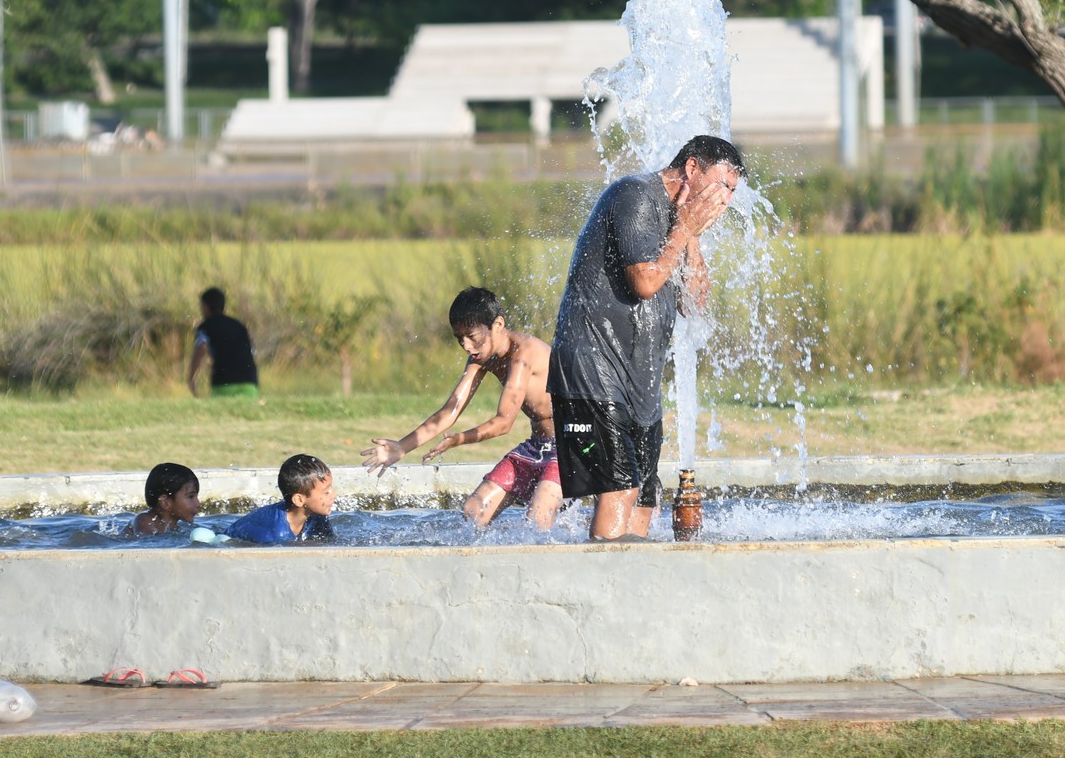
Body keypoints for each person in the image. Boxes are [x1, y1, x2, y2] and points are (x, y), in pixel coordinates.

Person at [550, 134, 744, 541]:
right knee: (620, 487)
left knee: (644, 498)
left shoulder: (681, 223)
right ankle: (603, 591)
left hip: (638, 383)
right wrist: (684, 228)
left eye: (731, 193)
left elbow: (694, 304)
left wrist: (690, 235)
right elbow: (645, 281)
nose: (724, 201)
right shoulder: (634, 195)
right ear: (692, 169)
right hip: (591, 370)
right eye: (722, 186)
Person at [361, 287, 563, 530]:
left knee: (537, 520)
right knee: (473, 512)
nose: (467, 346)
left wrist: (460, 439)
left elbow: (504, 422)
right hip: (538, 446)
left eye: (472, 336)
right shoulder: (481, 357)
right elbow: (450, 411)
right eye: (460, 339)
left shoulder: (523, 353)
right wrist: (401, 447)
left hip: (571, 445)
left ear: (497, 325)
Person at [225, 454, 336, 543]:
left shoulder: (317, 516)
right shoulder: (274, 535)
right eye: (326, 492)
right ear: (299, 500)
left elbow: (331, 542)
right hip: (224, 540)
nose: (334, 495)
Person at [188, 287, 259, 398]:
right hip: (249, 382)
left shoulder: (205, 327)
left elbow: (201, 348)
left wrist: (191, 377)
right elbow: (252, 351)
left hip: (224, 383)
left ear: (205, 307)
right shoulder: (240, 326)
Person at [133, 462, 201, 535]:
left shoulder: (175, 527)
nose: (198, 503)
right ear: (166, 502)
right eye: (190, 497)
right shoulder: (145, 521)